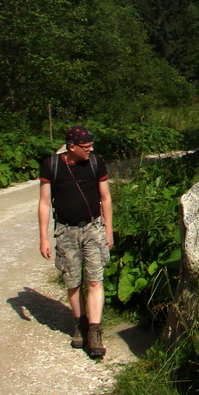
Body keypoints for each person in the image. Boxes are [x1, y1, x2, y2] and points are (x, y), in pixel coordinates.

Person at [38, 125, 113, 358]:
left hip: (93, 228)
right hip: (66, 231)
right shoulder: (51, 165)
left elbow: (105, 197)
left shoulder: (95, 163)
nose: (91, 149)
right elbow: (43, 203)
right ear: (72, 147)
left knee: (94, 279)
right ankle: (79, 323)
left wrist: (109, 230)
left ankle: (95, 330)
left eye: (91, 146)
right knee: (73, 281)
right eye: (86, 146)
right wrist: (43, 238)